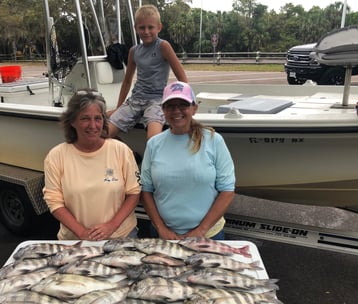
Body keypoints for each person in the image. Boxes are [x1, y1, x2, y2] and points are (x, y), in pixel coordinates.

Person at [140, 81, 236, 240]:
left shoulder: (213, 140)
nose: (176, 110)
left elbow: (227, 190)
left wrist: (201, 230)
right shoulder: (153, 144)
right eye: (170, 106)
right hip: (163, 235)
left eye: (183, 105)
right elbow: (146, 190)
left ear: (194, 108)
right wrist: (161, 228)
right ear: (163, 110)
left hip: (208, 235)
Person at [43, 88, 141, 242]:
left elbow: (134, 193)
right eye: (85, 118)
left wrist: (111, 226)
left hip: (121, 236)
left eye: (98, 118)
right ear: (72, 121)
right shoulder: (56, 156)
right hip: (75, 241)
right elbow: (54, 202)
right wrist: (82, 233)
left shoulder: (121, 150)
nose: (93, 125)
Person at [107, 4, 188, 140]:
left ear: (159, 27)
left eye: (150, 27)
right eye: (142, 27)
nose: (146, 31)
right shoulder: (134, 51)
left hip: (157, 101)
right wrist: (118, 107)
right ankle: (127, 153)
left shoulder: (163, 46)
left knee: (153, 138)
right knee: (105, 132)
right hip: (135, 100)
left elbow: (182, 79)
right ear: (136, 28)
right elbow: (127, 81)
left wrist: (180, 105)